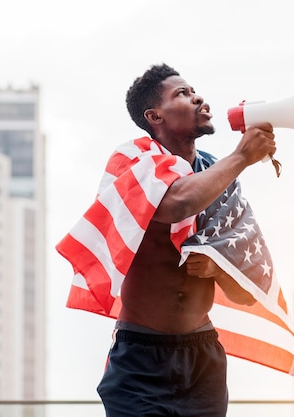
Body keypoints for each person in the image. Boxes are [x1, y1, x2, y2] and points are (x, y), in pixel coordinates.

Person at [94, 63, 278, 416]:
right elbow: (175, 203)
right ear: (154, 116)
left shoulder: (217, 177)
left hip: (202, 357)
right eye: (182, 94)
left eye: (194, 91)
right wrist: (241, 156)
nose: (198, 98)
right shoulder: (131, 162)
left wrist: (218, 268)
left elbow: (247, 291)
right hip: (140, 359)